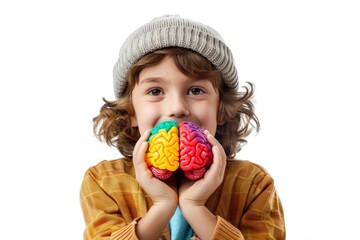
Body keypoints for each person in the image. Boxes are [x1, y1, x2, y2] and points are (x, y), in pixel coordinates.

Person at [80, 15, 285, 240]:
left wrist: (195, 207)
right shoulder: (103, 181)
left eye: (196, 90)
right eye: (155, 91)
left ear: (222, 108)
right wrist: (162, 206)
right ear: (130, 112)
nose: (177, 108)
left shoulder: (253, 184)